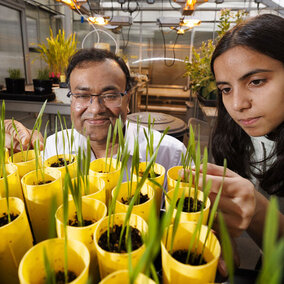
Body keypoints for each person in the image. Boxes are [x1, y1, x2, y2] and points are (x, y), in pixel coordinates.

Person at [5, 48, 186, 179]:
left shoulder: (170, 155)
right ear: (71, 100)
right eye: (82, 95)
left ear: (127, 100)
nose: (96, 109)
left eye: (110, 95)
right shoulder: (55, 148)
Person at [193, 13, 284, 271]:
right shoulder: (245, 137)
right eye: (226, 89)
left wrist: (257, 209)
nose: (237, 104)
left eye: (256, 81)